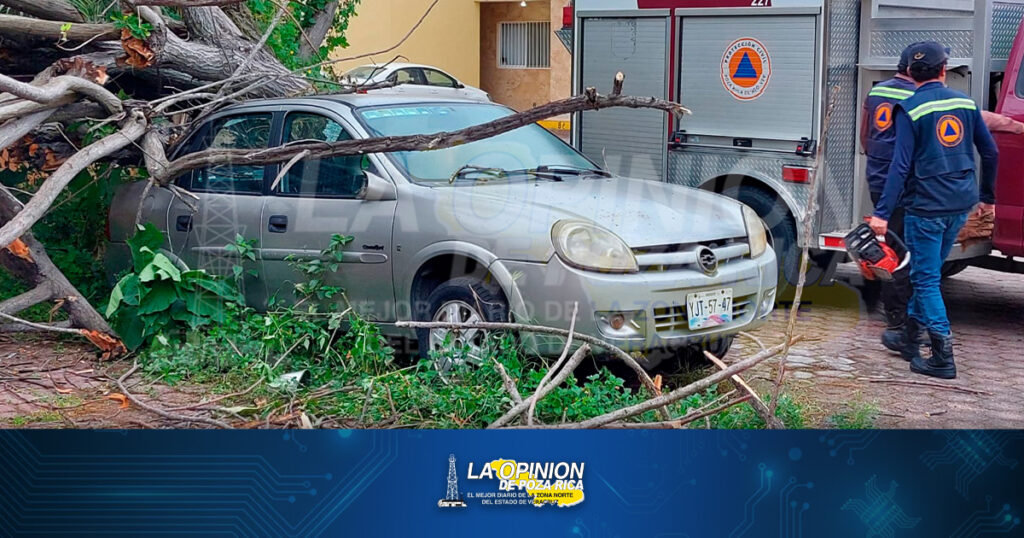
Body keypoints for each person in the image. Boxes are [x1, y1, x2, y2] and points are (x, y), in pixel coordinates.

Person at [869, 41, 999, 379]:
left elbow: (899, 166)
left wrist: (882, 213)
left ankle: (943, 356)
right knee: (927, 271)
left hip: (926, 207)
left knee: (925, 279)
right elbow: (990, 152)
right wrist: (987, 197)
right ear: (944, 70)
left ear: (910, 73)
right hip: (960, 203)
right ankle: (909, 338)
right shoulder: (965, 103)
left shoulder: (910, 108)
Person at [859, 45, 917, 353]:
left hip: (878, 178)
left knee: (890, 246)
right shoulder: (916, 96)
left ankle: (893, 312)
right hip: (903, 183)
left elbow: (865, 135)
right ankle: (897, 319)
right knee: (902, 253)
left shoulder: (877, 91)